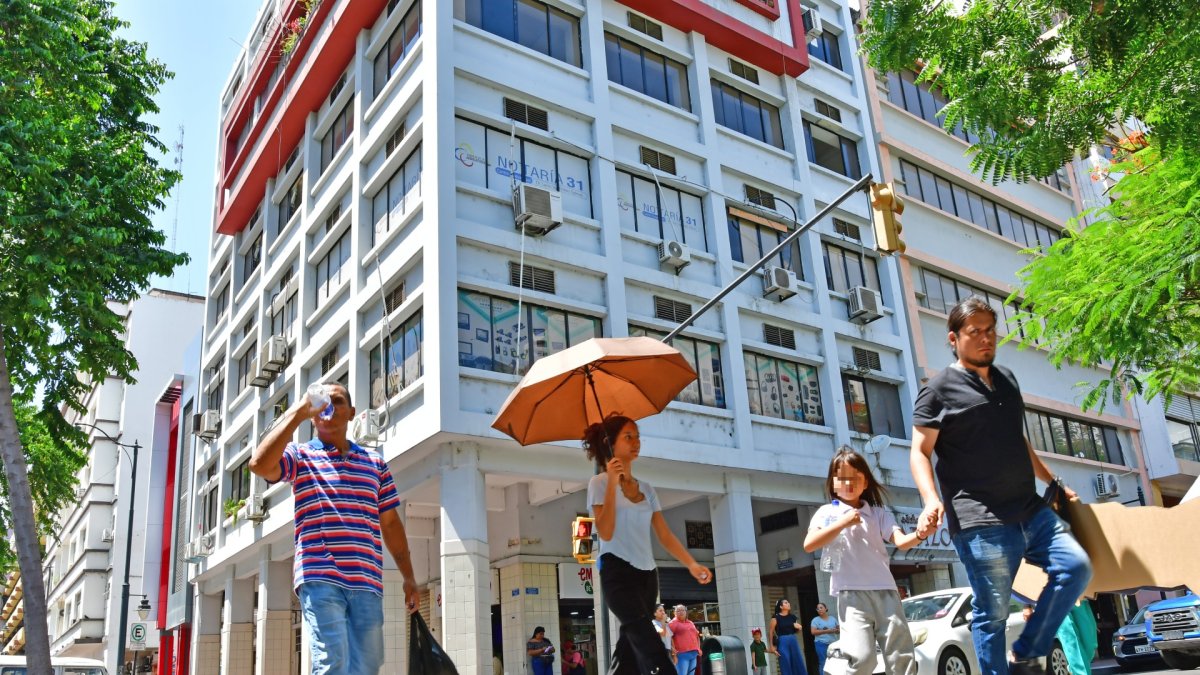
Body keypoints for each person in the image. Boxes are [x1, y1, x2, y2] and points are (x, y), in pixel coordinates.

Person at [911, 296, 1093, 675]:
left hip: (1029, 508)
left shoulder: (1007, 379)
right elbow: (919, 451)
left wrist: (1053, 480)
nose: (985, 339)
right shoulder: (938, 389)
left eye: (990, 331)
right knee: (991, 613)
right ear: (954, 338)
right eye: (974, 332)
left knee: (1076, 567)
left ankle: (1028, 650)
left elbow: (1018, 440)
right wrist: (930, 500)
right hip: (980, 519)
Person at [249, 382, 419, 675]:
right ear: (314, 415)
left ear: (352, 413)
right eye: (322, 401)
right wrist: (298, 413)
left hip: (367, 582)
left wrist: (409, 577)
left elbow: (390, 523)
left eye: (337, 401)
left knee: (366, 667)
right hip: (320, 575)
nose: (329, 406)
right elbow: (260, 466)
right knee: (332, 662)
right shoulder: (300, 456)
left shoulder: (375, 464)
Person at [585, 415, 713, 675]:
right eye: (628, 437)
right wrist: (611, 482)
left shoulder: (647, 489)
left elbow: (664, 534)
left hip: (647, 576)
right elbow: (606, 531)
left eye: (637, 436)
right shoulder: (598, 484)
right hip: (617, 574)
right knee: (647, 637)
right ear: (610, 443)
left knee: (629, 650)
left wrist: (690, 563)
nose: (636, 442)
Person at [803, 448, 923, 675]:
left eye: (855, 478)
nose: (848, 483)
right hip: (851, 595)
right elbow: (809, 544)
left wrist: (920, 534)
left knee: (901, 657)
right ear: (833, 483)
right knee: (862, 659)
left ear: (865, 482)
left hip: (886, 591)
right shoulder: (827, 512)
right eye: (842, 478)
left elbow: (901, 541)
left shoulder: (878, 513)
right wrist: (842, 523)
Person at [1055, 600, 1098, 675]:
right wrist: (1027, 605)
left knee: (1090, 646)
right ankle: (1078, 670)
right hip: (1054, 600)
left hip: (1078, 596)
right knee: (1070, 638)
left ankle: (1074, 666)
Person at [768, 599, 808, 675]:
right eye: (786, 603)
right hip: (782, 641)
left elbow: (797, 631)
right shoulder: (775, 617)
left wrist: (799, 628)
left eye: (788, 602)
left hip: (793, 640)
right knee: (785, 661)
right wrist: (772, 646)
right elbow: (771, 632)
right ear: (781, 606)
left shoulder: (793, 617)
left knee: (797, 661)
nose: (789, 603)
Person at [669, 605, 701, 675]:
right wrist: (673, 653)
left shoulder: (690, 623)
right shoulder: (672, 623)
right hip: (681, 655)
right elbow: (668, 638)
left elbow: (697, 636)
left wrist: (698, 648)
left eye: (682, 610)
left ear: (686, 612)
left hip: (694, 654)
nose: (681, 612)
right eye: (678, 611)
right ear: (675, 613)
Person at [811, 602, 840, 674]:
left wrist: (836, 630)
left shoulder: (833, 619)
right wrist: (827, 631)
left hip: (833, 644)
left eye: (821, 608)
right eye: (818, 609)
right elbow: (813, 632)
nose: (819, 610)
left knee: (835, 661)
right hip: (821, 644)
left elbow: (839, 631)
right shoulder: (815, 620)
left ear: (826, 608)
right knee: (823, 662)